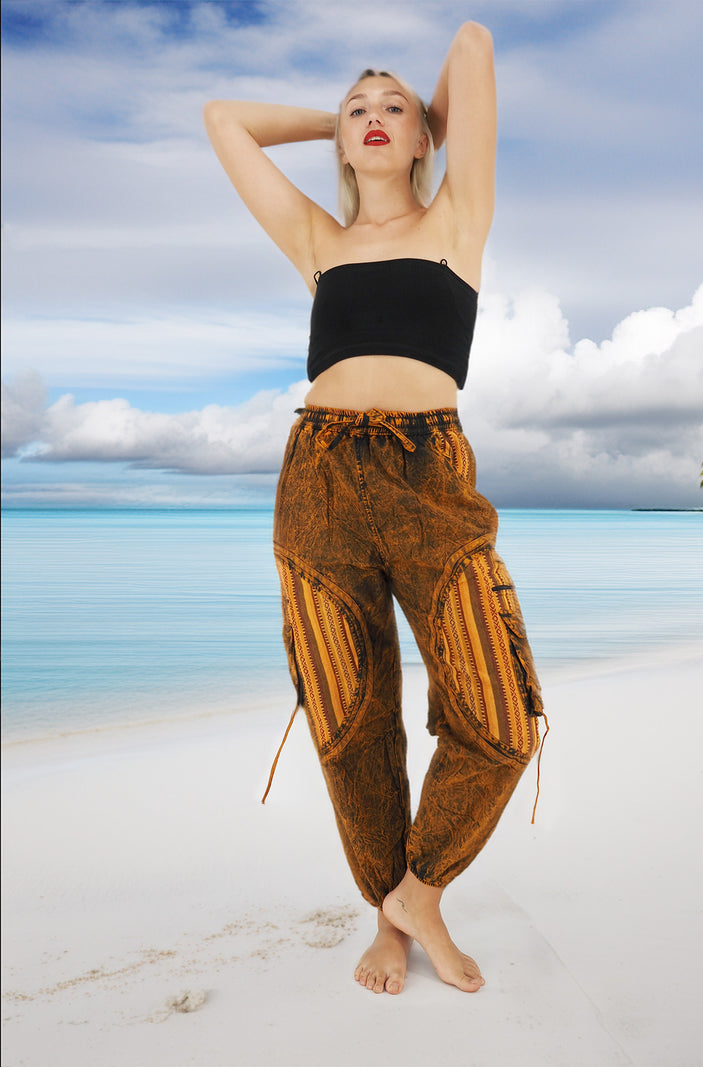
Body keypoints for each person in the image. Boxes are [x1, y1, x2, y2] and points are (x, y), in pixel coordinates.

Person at [203, 20, 545, 996]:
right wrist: (334, 120)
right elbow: (223, 119)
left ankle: (419, 885)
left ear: (428, 134)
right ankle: (385, 915)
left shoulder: (456, 218)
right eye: (360, 109)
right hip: (316, 482)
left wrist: (424, 110)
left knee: (497, 716)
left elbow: (477, 41)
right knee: (352, 724)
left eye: (394, 106)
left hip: (431, 479)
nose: (373, 117)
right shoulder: (318, 241)